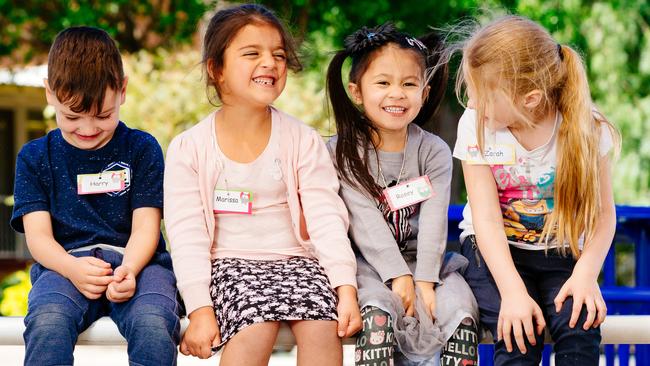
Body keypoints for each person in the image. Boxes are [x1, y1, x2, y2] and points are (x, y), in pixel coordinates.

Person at [163, 4, 361, 364]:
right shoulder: (189, 148)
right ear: (216, 69)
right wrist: (199, 309)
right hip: (228, 265)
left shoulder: (302, 140)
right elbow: (186, 234)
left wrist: (344, 288)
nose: (270, 62)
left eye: (279, 54)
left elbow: (327, 218)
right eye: (252, 53)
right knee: (255, 328)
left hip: (299, 263)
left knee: (322, 328)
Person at [451, 15, 619, 365]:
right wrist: (512, 291)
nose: (471, 103)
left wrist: (586, 275)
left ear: (530, 98)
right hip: (495, 250)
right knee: (518, 332)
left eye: (482, 95)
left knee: (579, 325)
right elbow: (486, 220)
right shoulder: (475, 125)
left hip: (561, 250)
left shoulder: (587, 128)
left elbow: (603, 216)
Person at [10, 26, 180, 366]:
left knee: (153, 323)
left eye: (103, 115)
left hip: (139, 264)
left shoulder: (142, 147)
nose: (88, 129)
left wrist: (129, 268)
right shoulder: (33, 157)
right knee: (48, 321)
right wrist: (71, 268)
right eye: (72, 116)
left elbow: (147, 227)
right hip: (64, 264)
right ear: (50, 93)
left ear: (123, 90)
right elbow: (39, 238)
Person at [326, 23, 479, 366]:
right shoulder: (341, 152)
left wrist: (424, 280)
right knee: (378, 314)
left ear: (423, 93)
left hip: (431, 264)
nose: (397, 93)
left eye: (409, 84)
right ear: (357, 91)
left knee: (460, 314)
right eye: (383, 83)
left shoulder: (435, 151)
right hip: (367, 266)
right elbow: (364, 220)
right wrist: (399, 277)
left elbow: (435, 221)